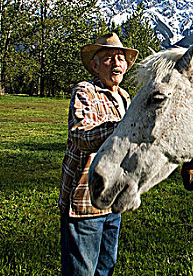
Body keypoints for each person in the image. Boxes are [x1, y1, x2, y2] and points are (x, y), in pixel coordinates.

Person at [58, 32, 139, 276]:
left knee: (105, 267)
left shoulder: (124, 97)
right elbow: (82, 137)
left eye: (120, 58)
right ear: (94, 65)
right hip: (85, 202)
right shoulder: (85, 92)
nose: (116, 63)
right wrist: (126, 127)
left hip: (113, 201)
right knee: (81, 271)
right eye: (108, 58)